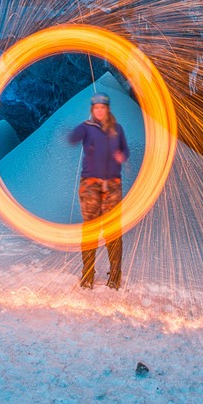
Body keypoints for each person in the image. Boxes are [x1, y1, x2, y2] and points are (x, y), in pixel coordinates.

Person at [66, 92, 130, 289]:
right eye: (96, 108)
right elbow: (72, 138)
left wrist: (121, 156)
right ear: (93, 110)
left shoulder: (117, 129)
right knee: (91, 228)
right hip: (90, 185)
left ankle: (115, 276)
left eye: (102, 108)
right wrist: (81, 127)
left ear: (107, 109)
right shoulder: (87, 128)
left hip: (112, 185)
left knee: (112, 229)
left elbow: (125, 150)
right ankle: (87, 275)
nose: (100, 111)